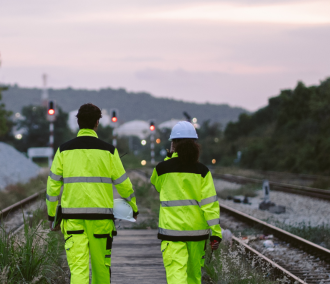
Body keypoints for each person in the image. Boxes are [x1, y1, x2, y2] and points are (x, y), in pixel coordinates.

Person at [46, 103, 139, 284]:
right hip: (101, 221)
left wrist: (52, 215)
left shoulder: (63, 151)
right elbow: (124, 185)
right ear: (97, 123)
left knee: (78, 270)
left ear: (78, 122)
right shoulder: (109, 151)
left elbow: (52, 187)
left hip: (73, 219)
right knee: (101, 269)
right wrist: (133, 208)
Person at [150, 121, 221, 284]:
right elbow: (210, 204)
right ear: (195, 144)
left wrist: (169, 157)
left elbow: (156, 185)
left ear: (173, 144)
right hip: (197, 234)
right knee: (194, 277)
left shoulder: (162, 169)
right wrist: (216, 233)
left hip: (172, 232)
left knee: (176, 274)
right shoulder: (203, 171)